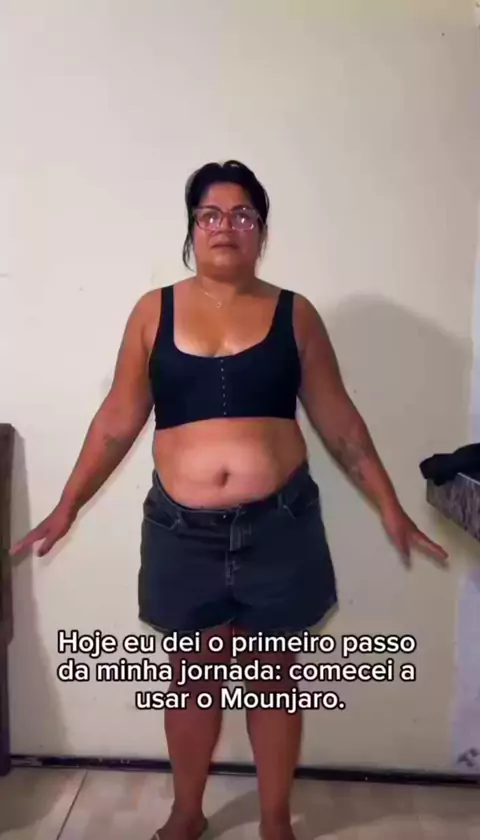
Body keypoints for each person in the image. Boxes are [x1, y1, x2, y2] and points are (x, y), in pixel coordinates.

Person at [11, 159, 448, 840]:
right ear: (192, 228)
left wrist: (389, 505)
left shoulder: (295, 314)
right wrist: (67, 506)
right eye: (210, 214)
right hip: (181, 530)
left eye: (242, 214)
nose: (225, 226)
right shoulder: (152, 311)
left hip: (279, 525)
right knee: (193, 676)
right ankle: (187, 813)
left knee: (273, 675)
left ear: (261, 231)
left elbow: (339, 421)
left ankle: (275, 821)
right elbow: (118, 421)